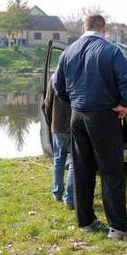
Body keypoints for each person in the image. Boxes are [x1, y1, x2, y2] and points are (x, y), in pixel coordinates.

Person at [53, 14, 127, 240]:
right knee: (111, 171)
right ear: (103, 28)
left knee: (82, 169)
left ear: (84, 28)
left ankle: (86, 221)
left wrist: (73, 101)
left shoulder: (68, 52)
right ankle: (119, 227)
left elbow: (57, 85)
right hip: (103, 115)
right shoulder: (110, 50)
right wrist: (125, 104)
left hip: (77, 116)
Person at [44, 75, 74, 209]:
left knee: (58, 159)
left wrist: (51, 123)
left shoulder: (54, 77)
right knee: (74, 162)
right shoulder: (78, 74)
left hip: (58, 126)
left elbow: (47, 104)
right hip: (75, 125)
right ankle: (70, 198)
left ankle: (57, 193)